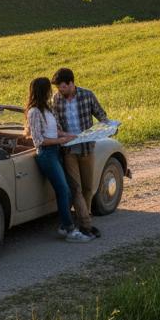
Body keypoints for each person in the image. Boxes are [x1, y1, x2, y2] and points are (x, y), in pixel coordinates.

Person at [23, 77, 93, 244]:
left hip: (55, 151)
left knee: (68, 189)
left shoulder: (47, 109)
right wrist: (60, 141)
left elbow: (55, 131)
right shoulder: (34, 112)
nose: (51, 92)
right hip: (46, 154)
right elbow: (38, 140)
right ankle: (69, 230)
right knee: (63, 190)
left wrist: (70, 136)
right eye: (48, 89)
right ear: (42, 91)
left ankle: (64, 225)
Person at [52, 67, 108, 238]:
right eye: (58, 88)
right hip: (68, 149)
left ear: (71, 83)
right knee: (75, 188)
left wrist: (108, 126)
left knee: (88, 187)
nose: (60, 91)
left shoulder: (87, 95)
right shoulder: (56, 99)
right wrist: (64, 136)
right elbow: (56, 124)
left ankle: (85, 218)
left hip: (87, 148)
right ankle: (86, 225)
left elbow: (101, 115)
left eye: (62, 87)